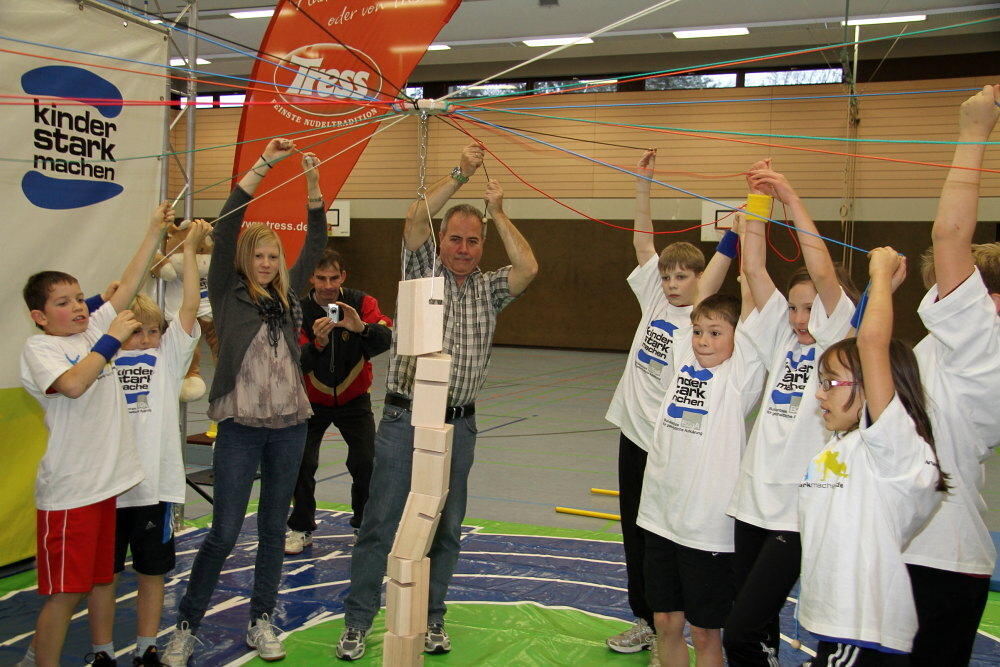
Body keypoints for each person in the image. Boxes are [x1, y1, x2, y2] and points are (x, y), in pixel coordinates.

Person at [336, 143, 539, 661]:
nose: (464, 248)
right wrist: (461, 173)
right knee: (380, 524)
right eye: (455, 238)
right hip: (405, 419)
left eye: (473, 241)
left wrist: (498, 212)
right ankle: (358, 622)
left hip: (460, 427)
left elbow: (529, 267)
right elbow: (413, 218)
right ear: (441, 241)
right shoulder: (421, 271)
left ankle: (432, 619)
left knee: (446, 528)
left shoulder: (491, 289)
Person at [161, 139, 327, 666]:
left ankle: (262, 620)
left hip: (290, 427)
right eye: (257, 255)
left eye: (272, 255)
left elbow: (317, 238)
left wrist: (315, 187)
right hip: (240, 427)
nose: (264, 262)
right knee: (225, 531)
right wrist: (262, 167)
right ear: (243, 260)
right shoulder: (230, 293)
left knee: (274, 529)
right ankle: (186, 626)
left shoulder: (292, 293)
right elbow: (231, 219)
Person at [19, 203, 174, 667]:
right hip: (71, 495)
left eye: (79, 298)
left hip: (105, 490)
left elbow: (128, 284)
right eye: (62, 303)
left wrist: (153, 230)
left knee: (98, 581)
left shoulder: (90, 333)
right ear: (39, 316)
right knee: (64, 595)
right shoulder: (41, 347)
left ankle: (38, 654)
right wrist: (110, 340)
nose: (77, 307)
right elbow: (72, 384)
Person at [722, 165, 857, 665]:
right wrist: (756, 202)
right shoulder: (782, 335)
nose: (799, 319)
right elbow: (754, 269)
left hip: (793, 512)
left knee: (740, 630)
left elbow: (821, 270)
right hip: (751, 501)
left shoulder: (835, 339)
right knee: (753, 628)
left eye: (808, 309)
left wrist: (789, 195)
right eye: (794, 309)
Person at [605, 149, 735, 654]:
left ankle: (675, 625)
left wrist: (741, 228)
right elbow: (642, 241)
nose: (673, 283)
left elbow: (722, 263)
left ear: (699, 280)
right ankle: (646, 621)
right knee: (634, 537)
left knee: (662, 535)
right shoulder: (655, 300)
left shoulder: (701, 316)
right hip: (631, 433)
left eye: (682, 276)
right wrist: (643, 185)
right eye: (668, 275)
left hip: (667, 444)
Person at [798, 246, 947, 665]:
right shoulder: (846, 444)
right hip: (839, 627)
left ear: (872, 389)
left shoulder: (893, 449)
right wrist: (878, 291)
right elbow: (858, 343)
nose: (820, 393)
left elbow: (870, 344)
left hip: (861, 633)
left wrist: (880, 274)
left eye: (831, 383)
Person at [904, 84, 1000, 665]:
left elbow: (949, 236)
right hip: (915, 548)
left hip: (940, 558)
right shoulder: (945, 345)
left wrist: (973, 134)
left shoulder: (982, 346)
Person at [85, 221, 210, 667]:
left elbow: (190, 305)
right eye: (135, 332)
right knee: (104, 578)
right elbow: (118, 301)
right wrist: (154, 236)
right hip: (108, 489)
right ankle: (101, 651)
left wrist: (191, 250)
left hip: (154, 489)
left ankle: (146, 646)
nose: (145, 340)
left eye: (153, 332)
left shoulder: (169, 357)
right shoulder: (102, 357)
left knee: (152, 574)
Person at [637, 269, 765, 667]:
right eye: (698, 332)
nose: (703, 341)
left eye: (716, 333)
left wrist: (750, 231)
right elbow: (700, 302)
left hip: (705, 529)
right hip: (660, 516)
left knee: (707, 632)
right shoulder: (682, 356)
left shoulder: (739, 378)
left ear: (737, 338)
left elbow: (753, 293)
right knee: (665, 621)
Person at [285, 248, 393, 554]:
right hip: (311, 400)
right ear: (311, 278)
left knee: (365, 461)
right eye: (321, 278)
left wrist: (361, 327)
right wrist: (318, 344)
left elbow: (387, 338)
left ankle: (362, 524)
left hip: (354, 397)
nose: (328, 285)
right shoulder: (297, 309)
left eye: (334, 277)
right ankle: (300, 527)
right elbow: (294, 361)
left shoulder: (362, 303)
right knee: (302, 463)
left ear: (343, 276)